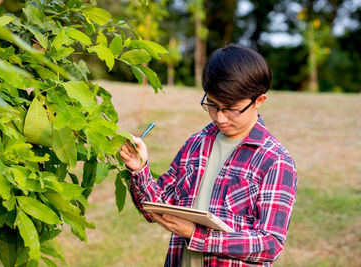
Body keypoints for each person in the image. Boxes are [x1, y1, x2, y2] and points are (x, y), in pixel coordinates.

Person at [119, 44, 298, 267]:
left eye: (231, 109)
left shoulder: (275, 161)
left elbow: (270, 245)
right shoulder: (197, 144)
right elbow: (156, 208)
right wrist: (139, 169)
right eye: (212, 105)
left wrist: (198, 235)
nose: (220, 118)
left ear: (259, 100)